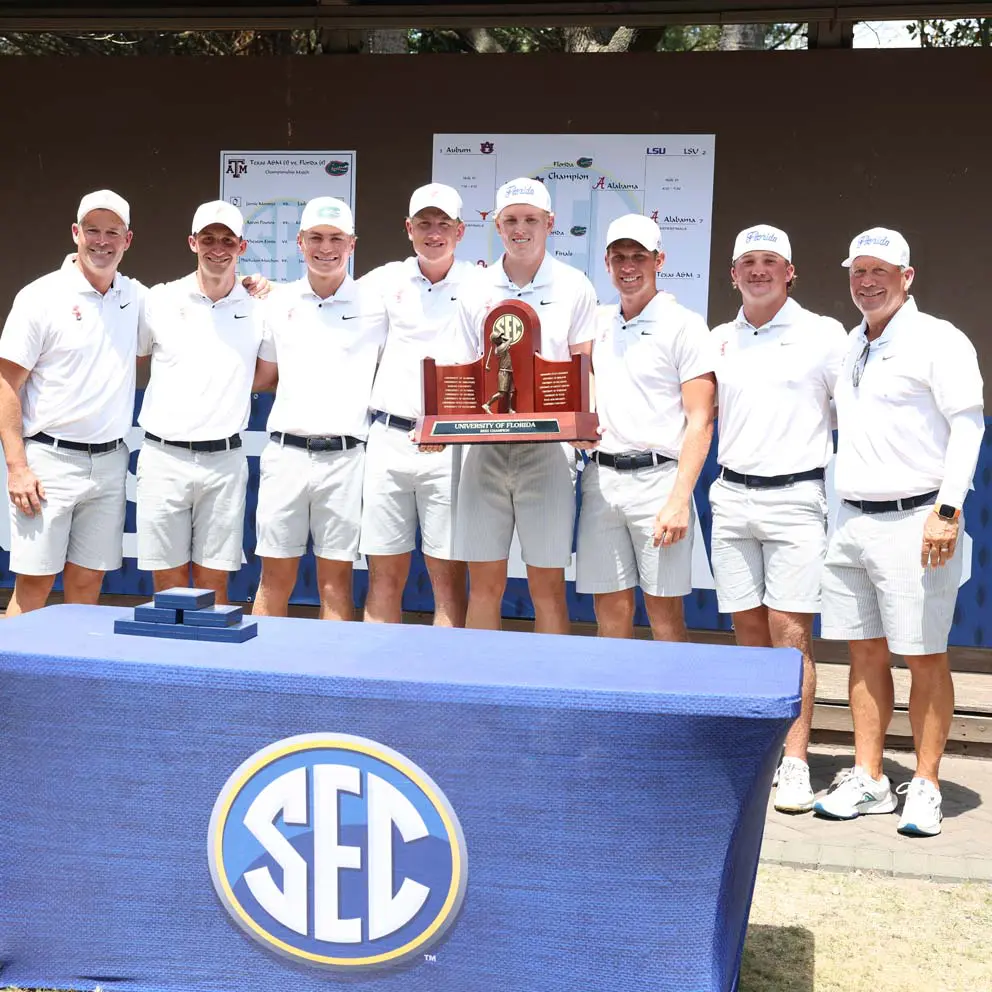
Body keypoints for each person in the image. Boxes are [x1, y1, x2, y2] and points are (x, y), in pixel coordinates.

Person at [813, 228, 984, 836]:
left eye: (880, 270)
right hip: (853, 518)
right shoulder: (850, 344)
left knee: (924, 655)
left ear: (907, 277)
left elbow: (967, 427)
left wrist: (947, 510)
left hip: (919, 522)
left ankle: (928, 784)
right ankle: (871, 779)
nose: (866, 280)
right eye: (857, 270)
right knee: (863, 653)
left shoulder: (939, 339)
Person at [710, 225, 848, 814]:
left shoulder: (824, 334)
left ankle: (794, 763)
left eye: (771, 261)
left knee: (790, 637)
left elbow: (853, 416)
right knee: (747, 636)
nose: (759, 271)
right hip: (731, 496)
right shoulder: (718, 339)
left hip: (796, 499)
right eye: (749, 262)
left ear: (790, 272)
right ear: (733, 273)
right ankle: (755, 755)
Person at [444, 177, 597, 634]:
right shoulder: (474, 287)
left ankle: (550, 701)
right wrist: (441, 424)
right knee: (484, 586)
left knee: (546, 588)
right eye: (511, 220)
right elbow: (463, 370)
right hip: (485, 451)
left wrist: (586, 424)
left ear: (550, 224)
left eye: (531, 219)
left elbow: (583, 367)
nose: (520, 228)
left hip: (547, 453)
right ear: (496, 225)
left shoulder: (574, 285)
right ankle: (478, 698)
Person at [575, 214, 714, 641]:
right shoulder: (596, 321)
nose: (628, 266)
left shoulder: (684, 325)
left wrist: (678, 500)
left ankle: (668, 709)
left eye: (639, 256)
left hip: (659, 483)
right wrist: (586, 414)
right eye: (619, 257)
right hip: (601, 480)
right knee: (609, 611)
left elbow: (701, 419)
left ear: (659, 261)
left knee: (664, 613)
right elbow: (583, 373)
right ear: (606, 262)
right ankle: (615, 708)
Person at [0, 190, 139, 616]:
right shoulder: (40, 296)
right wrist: (18, 468)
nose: (102, 241)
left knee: (87, 584)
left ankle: (75, 683)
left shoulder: (136, 297)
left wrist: (254, 285)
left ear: (127, 240)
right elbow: (7, 384)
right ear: (76, 233)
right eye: (92, 230)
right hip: (48, 464)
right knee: (35, 586)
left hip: (110, 464)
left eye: (112, 232)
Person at [251, 197, 386, 621]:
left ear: (352, 244)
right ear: (299, 241)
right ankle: (260, 682)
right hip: (286, 455)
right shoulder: (276, 302)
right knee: (274, 580)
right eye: (315, 238)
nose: (325, 248)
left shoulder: (378, 306)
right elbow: (265, 377)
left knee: (335, 583)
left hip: (347, 458)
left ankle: (333, 685)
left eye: (336, 239)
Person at [136, 200, 269, 605]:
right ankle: (169, 668)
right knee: (168, 587)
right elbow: (138, 357)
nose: (217, 248)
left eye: (227, 240)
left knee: (216, 587)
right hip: (163, 457)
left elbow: (266, 375)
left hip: (224, 462)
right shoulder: (158, 299)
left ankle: (211, 669)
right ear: (192, 242)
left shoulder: (260, 306)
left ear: (241, 247)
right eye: (208, 239)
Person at [360, 183, 475, 627]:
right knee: (384, 576)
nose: (433, 233)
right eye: (424, 224)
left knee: (446, 578)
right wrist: (261, 287)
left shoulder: (480, 287)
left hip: (448, 446)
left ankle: (444, 688)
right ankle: (376, 688)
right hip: (388, 439)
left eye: (443, 224)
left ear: (460, 231)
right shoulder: (384, 280)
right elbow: (325, 294)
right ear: (409, 229)